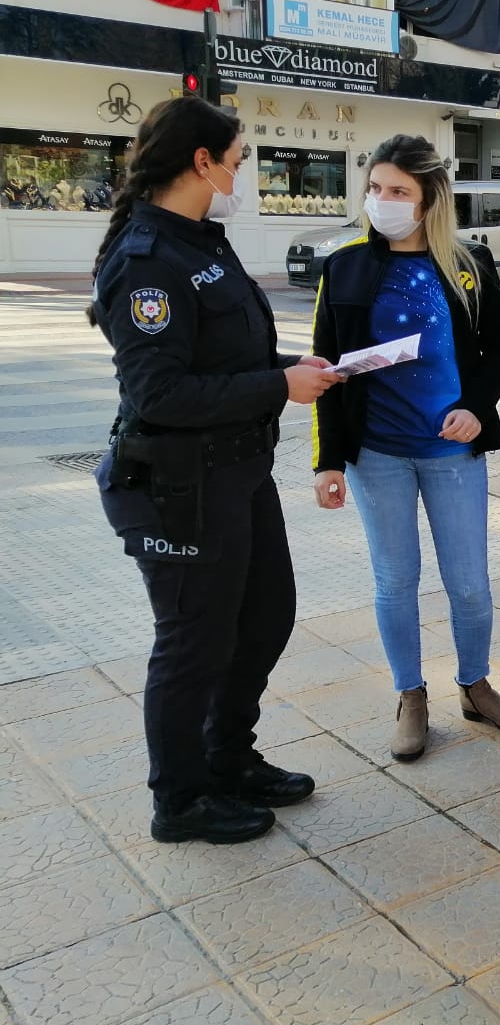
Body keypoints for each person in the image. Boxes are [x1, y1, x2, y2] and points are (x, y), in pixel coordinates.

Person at [89, 97, 343, 844]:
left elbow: (225, 357)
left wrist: (291, 366)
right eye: (235, 158)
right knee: (194, 642)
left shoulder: (203, 241)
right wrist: (279, 385)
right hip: (181, 485)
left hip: (239, 473)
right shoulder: (147, 261)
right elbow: (160, 394)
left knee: (265, 617)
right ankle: (180, 799)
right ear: (201, 161)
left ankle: (227, 758)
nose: (241, 171)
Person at [311, 135, 500, 762]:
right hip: (377, 454)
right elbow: (326, 367)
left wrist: (475, 408)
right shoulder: (345, 266)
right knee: (395, 581)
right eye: (376, 188)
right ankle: (410, 696)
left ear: (429, 198)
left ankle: (476, 685)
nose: (382, 200)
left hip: (451, 453)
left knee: (469, 583)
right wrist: (328, 460)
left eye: (398, 191)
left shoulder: (467, 263)